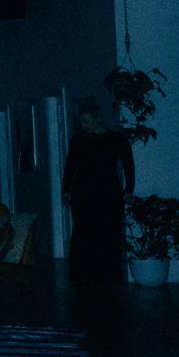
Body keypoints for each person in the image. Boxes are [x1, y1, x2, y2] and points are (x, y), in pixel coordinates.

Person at [63, 100, 134, 284]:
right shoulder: (78, 140)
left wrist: (129, 190)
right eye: (82, 123)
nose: (83, 126)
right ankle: (83, 273)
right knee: (83, 232)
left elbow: (128, 166)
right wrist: (66, 190)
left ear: (96, 120)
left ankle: (109, 274)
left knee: (109, 231)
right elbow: (70, 166)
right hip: (83, 193)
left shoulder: (117, 139)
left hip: (109, 192)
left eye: (86, 122)